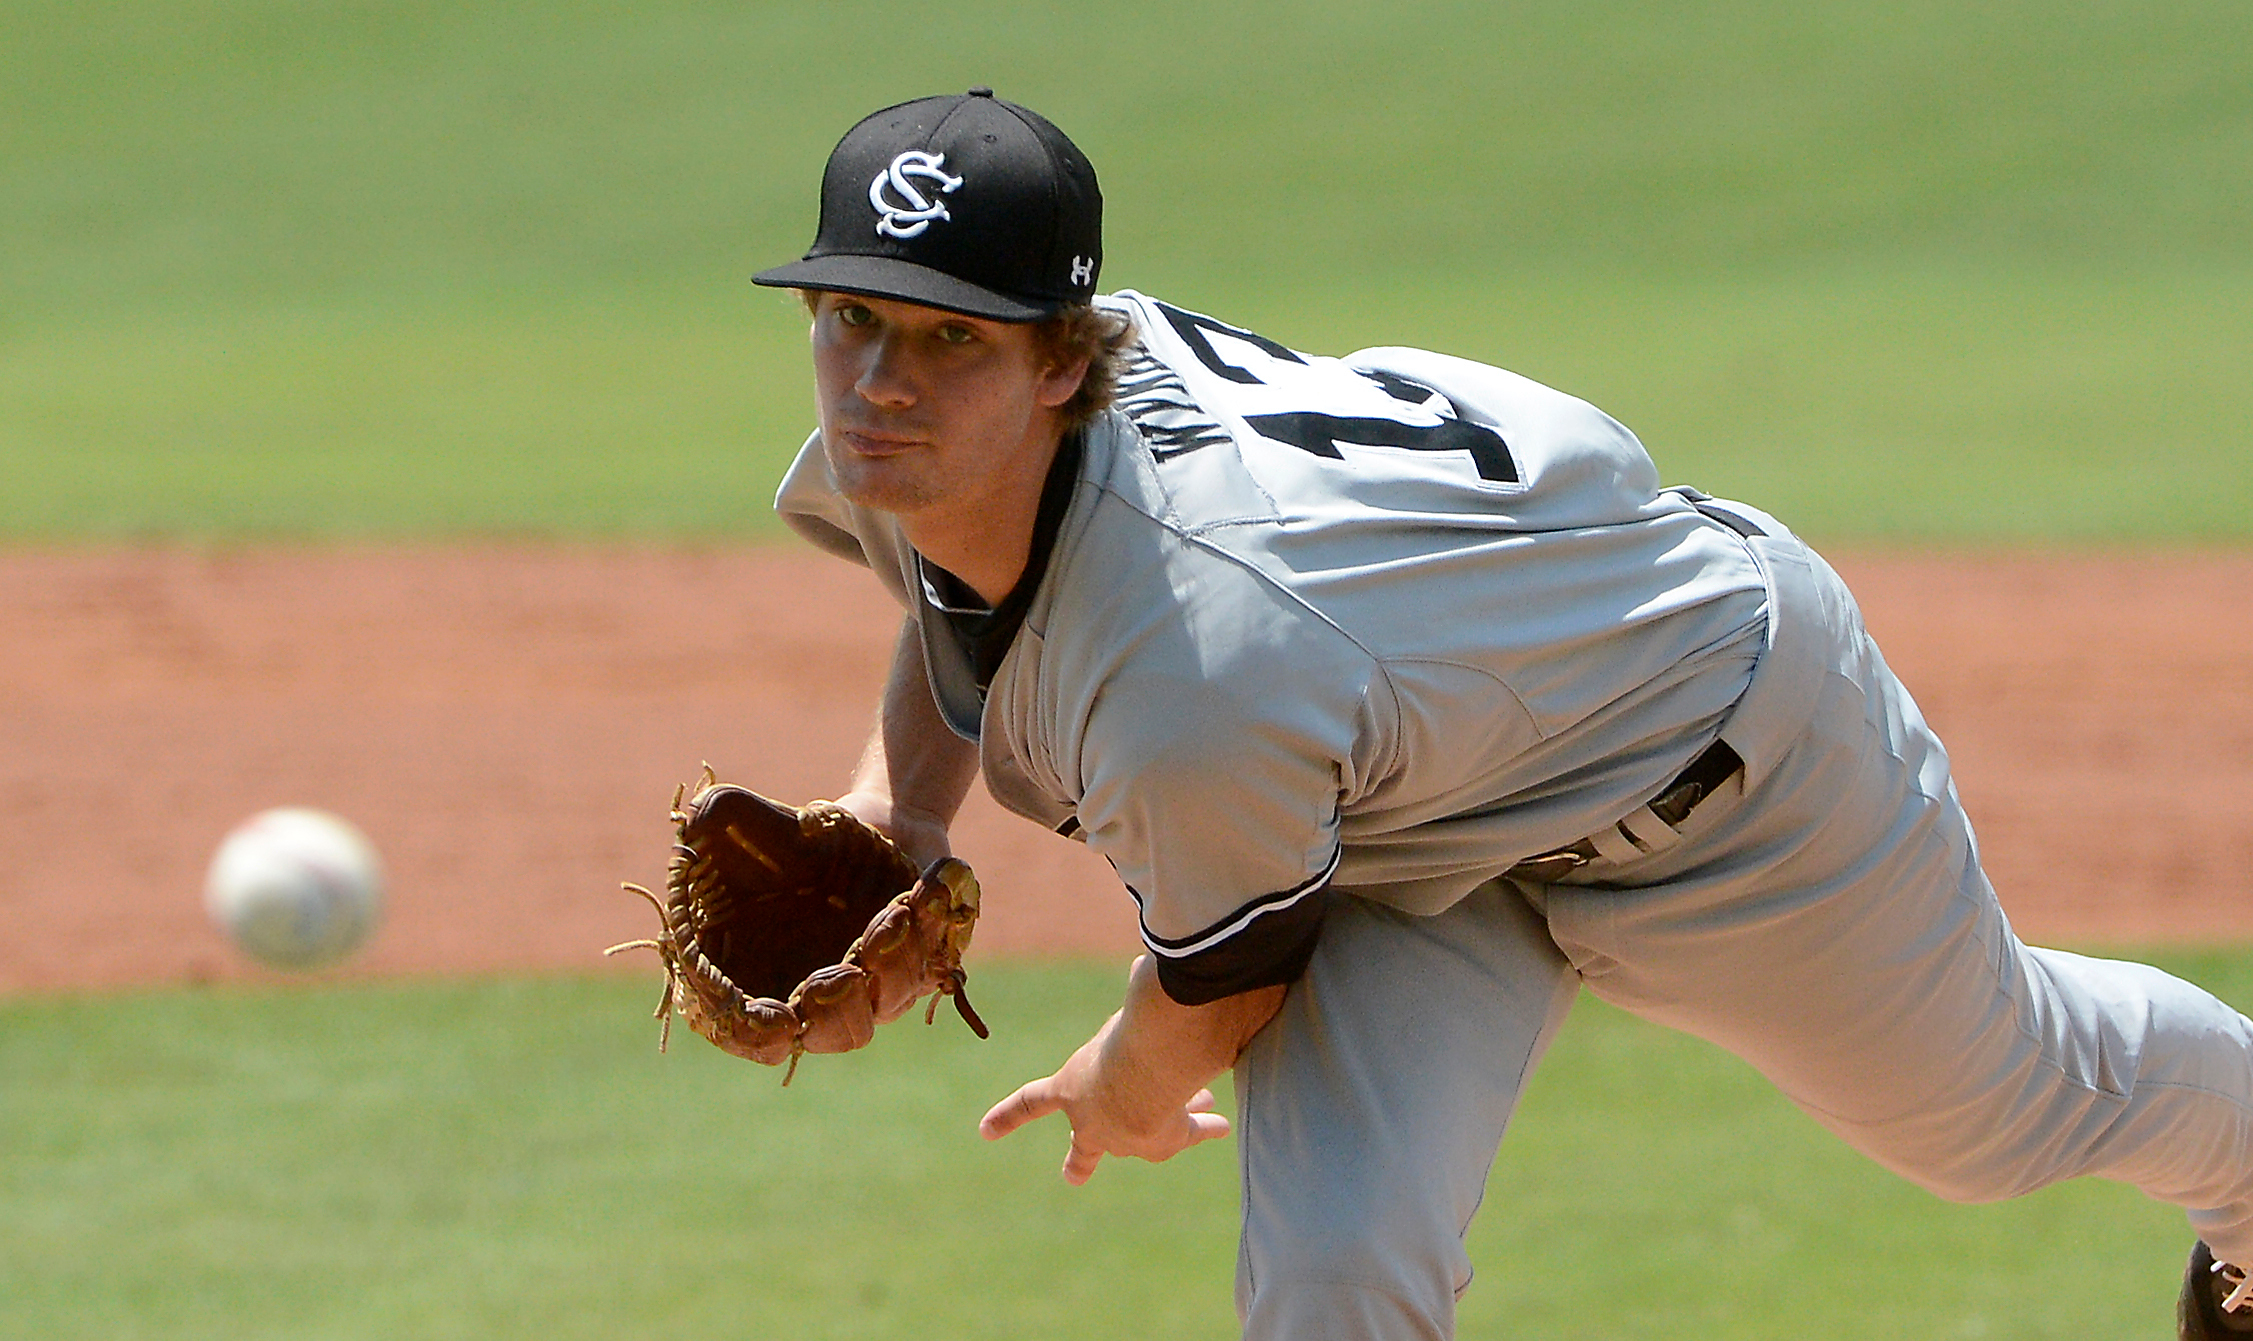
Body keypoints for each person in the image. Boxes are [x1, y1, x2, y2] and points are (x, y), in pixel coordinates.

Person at [752, 88, 2253, 1340]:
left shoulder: (1199, 665)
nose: (882, 378)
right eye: (852, 318)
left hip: (1718, 760)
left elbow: (1217, 989)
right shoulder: (958, 427)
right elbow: (947, 579)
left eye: (950, 336)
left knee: (1999, 1118)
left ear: (1067, 359)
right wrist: (904, 809)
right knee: (1339, 1264)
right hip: (1412, 808)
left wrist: (1120, 1090)